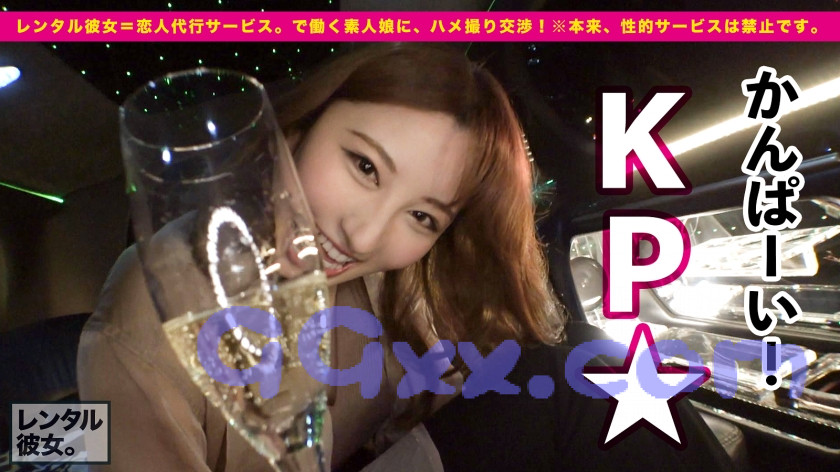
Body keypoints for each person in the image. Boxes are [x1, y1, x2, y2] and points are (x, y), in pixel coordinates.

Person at [78, 43, 730, 471]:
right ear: (298, 128)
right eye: (364, 166)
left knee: (598, 363)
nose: (363, 237)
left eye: (423, 216)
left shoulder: (403, 280)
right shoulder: (151, 307)